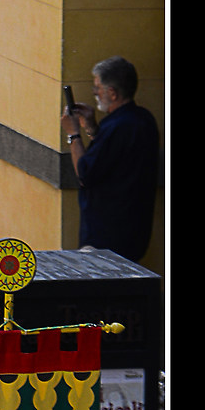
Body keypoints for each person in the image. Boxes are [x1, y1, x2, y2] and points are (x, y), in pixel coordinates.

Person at [61, 57, 160, 263]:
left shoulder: (116, 127)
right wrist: (92, 128)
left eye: (98, 87)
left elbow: (86, 174)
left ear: (112, 93)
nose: (94, 92)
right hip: (134, 231)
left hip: (105, 237)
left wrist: (73, 134)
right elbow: (114, 158)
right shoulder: (143, 119)